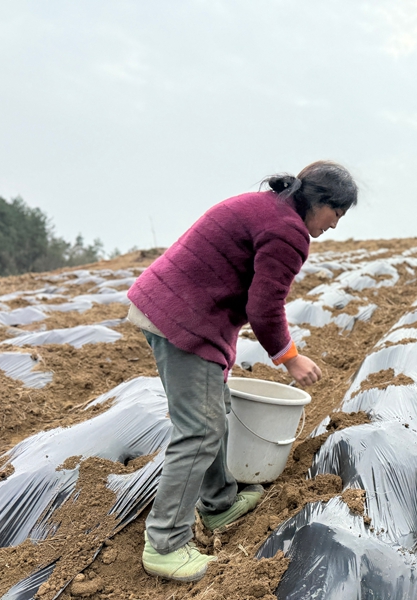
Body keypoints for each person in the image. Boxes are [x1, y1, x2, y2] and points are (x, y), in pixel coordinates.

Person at [126, 160, 358, 582]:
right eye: (336, 214)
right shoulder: (289, 231)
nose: (335, 225)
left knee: (214, 409)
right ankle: (165, 543)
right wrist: (290, 356)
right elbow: (264, 307)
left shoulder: (266, 206)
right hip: (182, 319)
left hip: (174, 308)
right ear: (320, 202)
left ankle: (218, 504)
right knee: (199, 429)